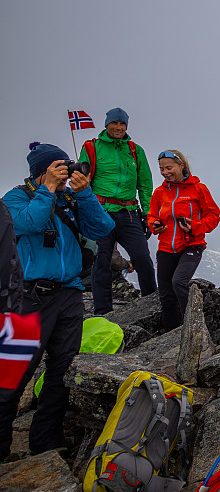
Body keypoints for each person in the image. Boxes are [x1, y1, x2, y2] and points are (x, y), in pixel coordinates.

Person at [0, 143, 115, 459]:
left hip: (69, 295)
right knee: (12, 374)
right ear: (41, 171)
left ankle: (45, 440)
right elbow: (31, 224)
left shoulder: (69, 199)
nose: (66, 173)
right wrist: (47, 189)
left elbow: (103, 228)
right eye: (58, 168)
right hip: (28, 297)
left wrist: (85, 194)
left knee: (62, 371)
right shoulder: (14, 199)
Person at [81, 107, 157, 314]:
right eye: (115, 123)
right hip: (100, 211)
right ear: (107, 125)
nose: (118, 127)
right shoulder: (91, 148)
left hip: (129, 212)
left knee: (142, 258)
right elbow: (82, 182)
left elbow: (145, 185)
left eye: (122, 124)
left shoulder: (135, 150)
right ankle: (102, 312)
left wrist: (148, 214)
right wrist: (87, 211)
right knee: (102, 261)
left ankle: (152, 304)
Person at [147, 150, 220, 331]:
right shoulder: (159, 192)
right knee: (166, 295)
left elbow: (214, 216)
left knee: (179, 282)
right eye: (162, 169)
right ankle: (171, 333)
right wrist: (155, 225)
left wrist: (195, 227)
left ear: (182, 166)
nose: (165, 172)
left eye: (169, 168)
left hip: (191, 245)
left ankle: (194, 326)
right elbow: (152, 215)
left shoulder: (198, 189)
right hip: (166, 247)